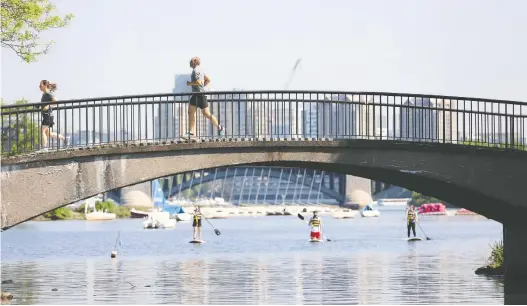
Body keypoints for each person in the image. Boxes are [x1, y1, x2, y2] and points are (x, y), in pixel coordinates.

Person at [184, 57, 224, 140]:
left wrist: (189, 83)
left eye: (191, 61)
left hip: (199, 95)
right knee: (192, 112)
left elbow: (198, 82)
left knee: (205, 114)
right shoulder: (200, 70)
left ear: (195, 62)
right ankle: (192, 132)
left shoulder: (196, 70)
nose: (189, 63)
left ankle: (220, 128)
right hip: (198, 95)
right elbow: (208, 79)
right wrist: (202, 87)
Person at [39, 80, 69, 151]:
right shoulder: (45, 94)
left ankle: (44, 148)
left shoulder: (49, 93)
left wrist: (49, 106)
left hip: (48, 115)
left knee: (42, 130)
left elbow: (56, 102)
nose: (39, 87)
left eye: (40, 85)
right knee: (49, 134)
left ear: (45, 85)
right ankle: (64, 139)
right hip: (47, 115)